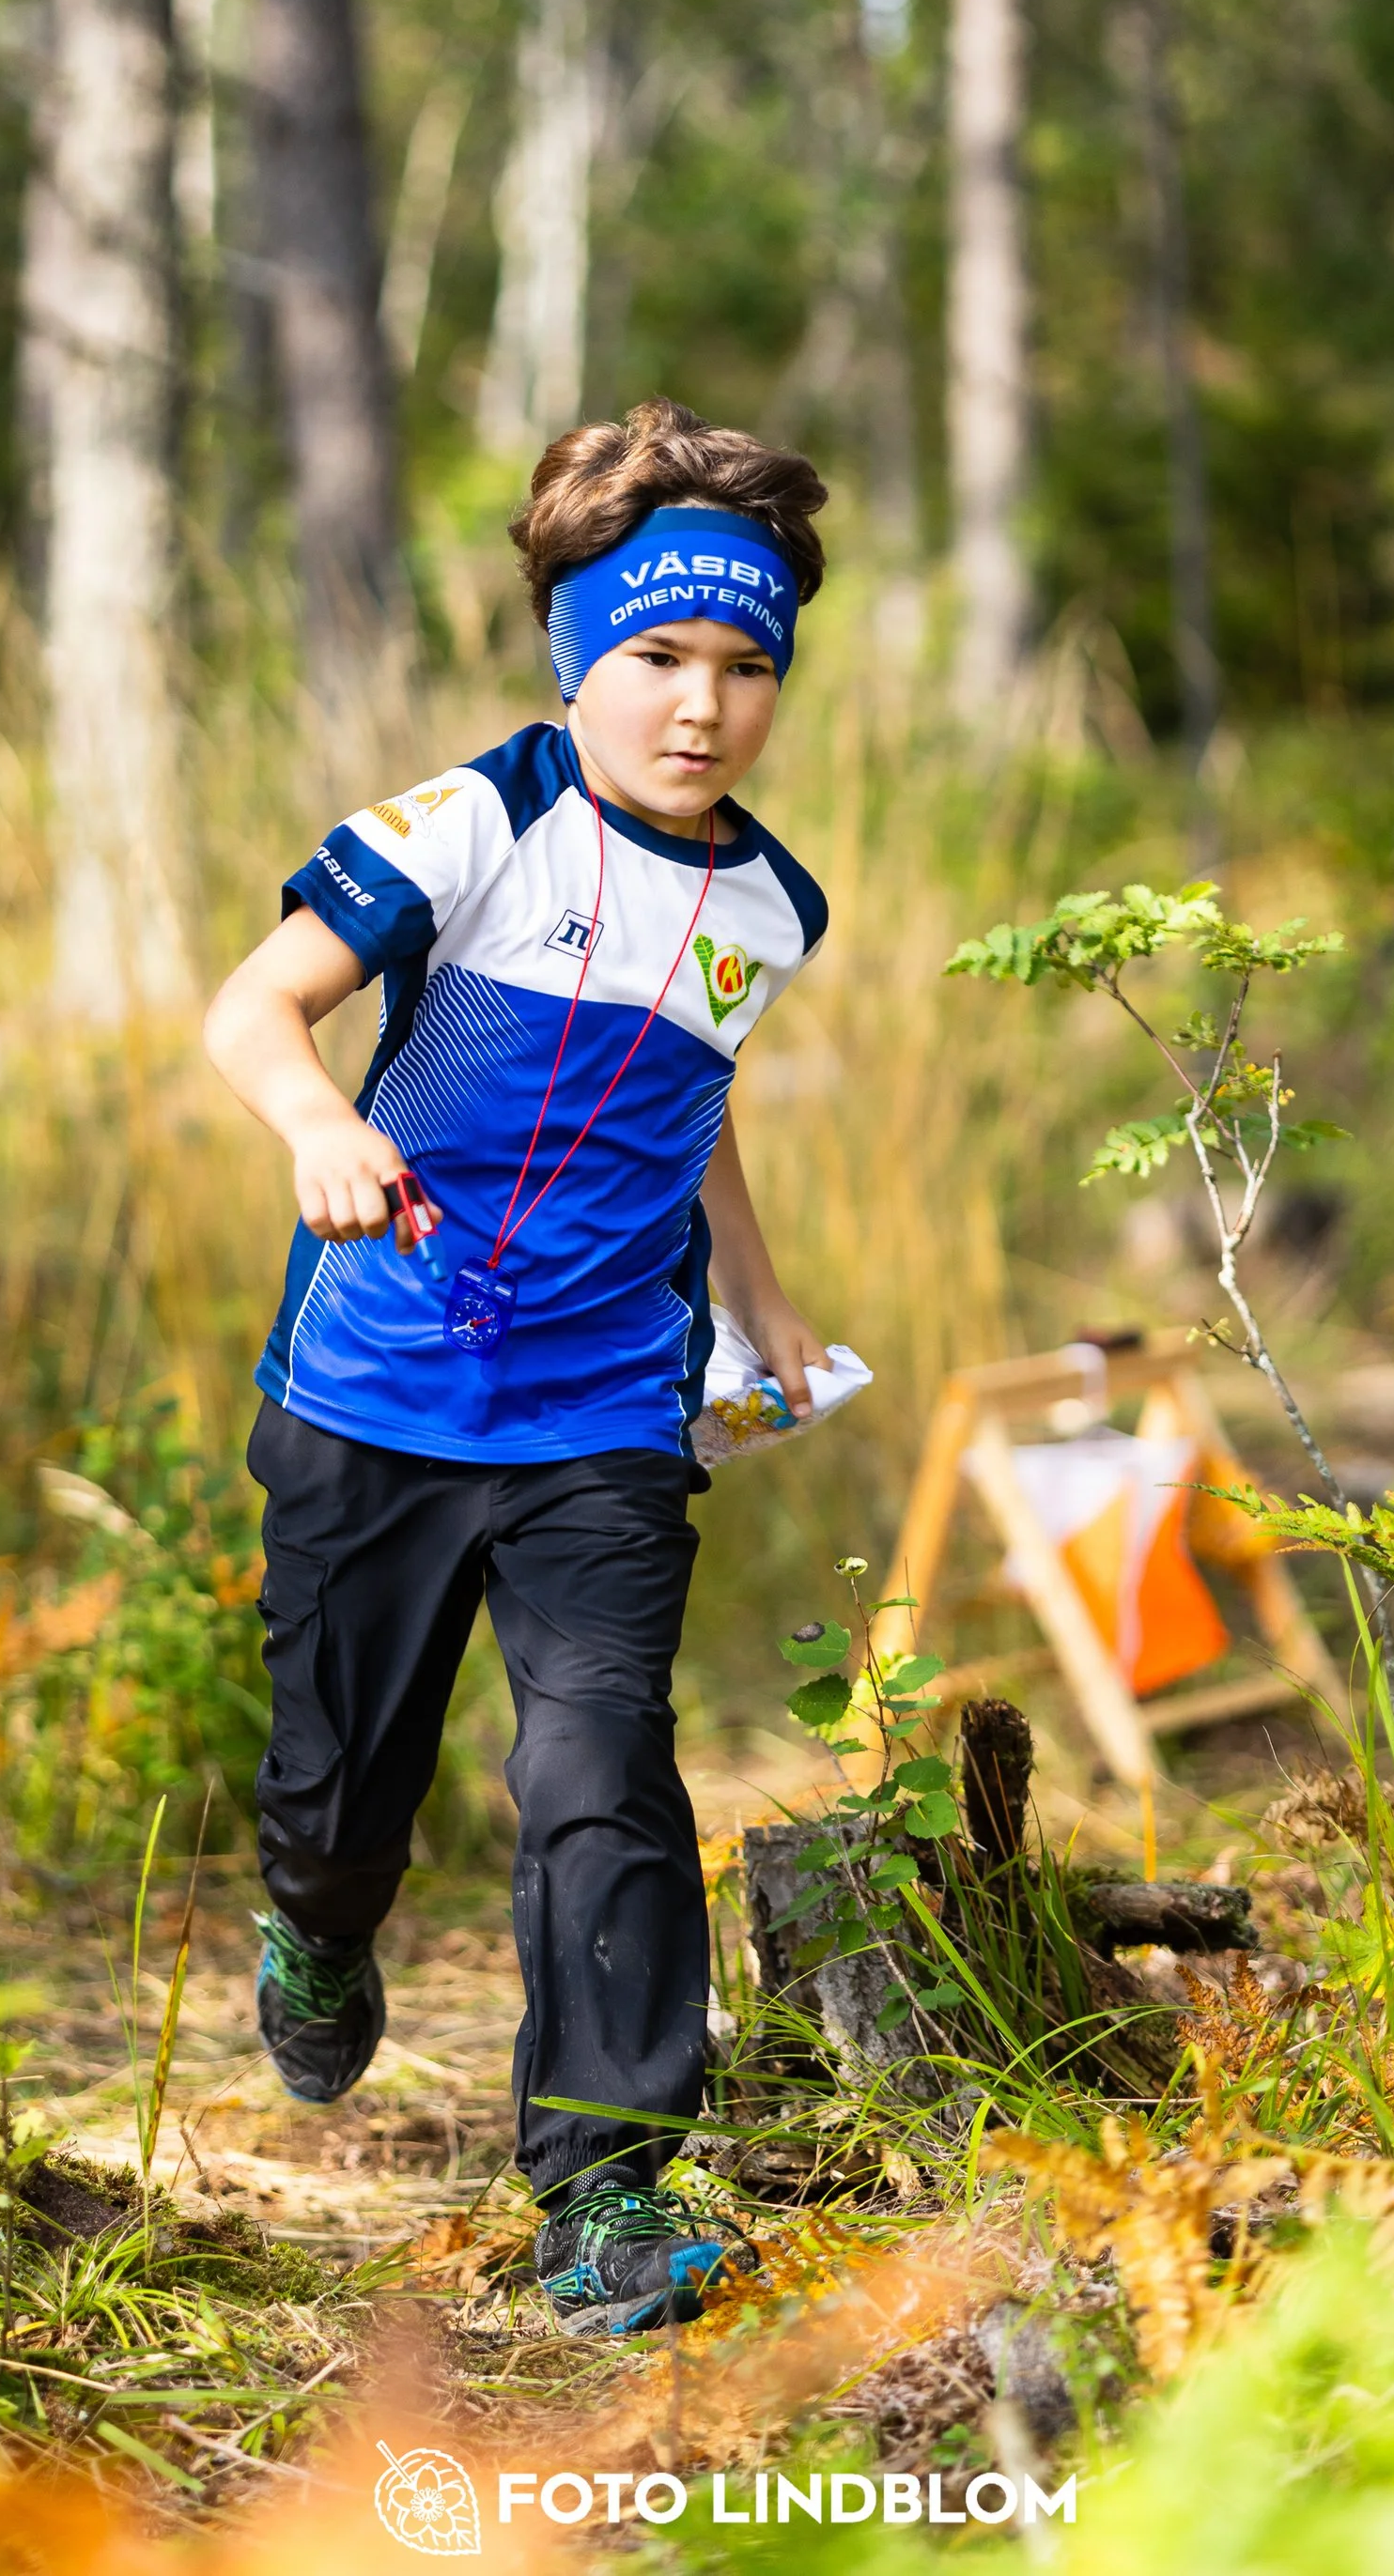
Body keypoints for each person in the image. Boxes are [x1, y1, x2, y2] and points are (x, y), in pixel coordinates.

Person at [202, 399, 835, 2337]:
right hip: (373, 1392)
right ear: (579, 653)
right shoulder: (473, 819)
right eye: (656, 655)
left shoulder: (769, 903)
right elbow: (253, 1002)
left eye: (743, 668)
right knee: (340, 1790)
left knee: (600, 1773)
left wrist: (762, 1298)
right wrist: (316, 1124)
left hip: (598, 1420)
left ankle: (604, 2185)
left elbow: (690, 1099)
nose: (699, 704)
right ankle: (316, 1926)